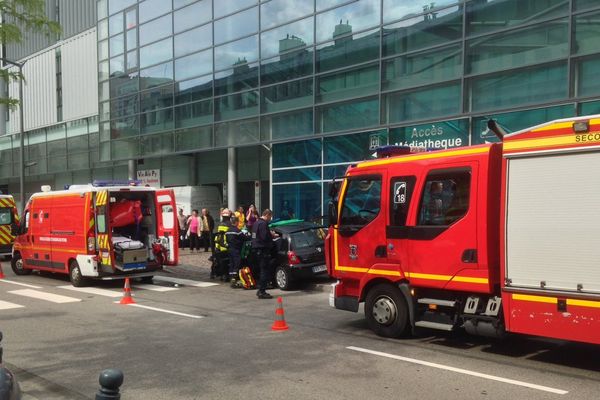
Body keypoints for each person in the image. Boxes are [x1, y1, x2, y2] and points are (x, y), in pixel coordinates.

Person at [251, 209, 278, 299]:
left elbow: (255, 235)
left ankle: (261, 290)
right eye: (270, 217)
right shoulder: (263, 223)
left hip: (256, 249)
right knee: (265, 270)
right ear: (267, 215)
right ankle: (262, 291)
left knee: (262, 269)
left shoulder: (256, 223)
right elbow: (264, 237)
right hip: (262, 249)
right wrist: (272, 236)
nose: (270, 219)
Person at [225, 215, 249, 288]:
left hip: (230, 249)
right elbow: (244, 238)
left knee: (231, 264)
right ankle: (235, 279)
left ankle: (231, 278)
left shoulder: (228, 231)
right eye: (238, 222)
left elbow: (227, 240)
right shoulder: (237, 231)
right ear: (236, 222)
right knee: (237, 264)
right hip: (236, 249)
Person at [213, 208, 232, 280]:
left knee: (220, 261)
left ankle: (220, 274)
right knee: (226, 262)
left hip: (220, 245)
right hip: (226, 245)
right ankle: (226, 275)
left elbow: (218, 236)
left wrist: (217, 246)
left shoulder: (221, 224)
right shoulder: (229, 224)